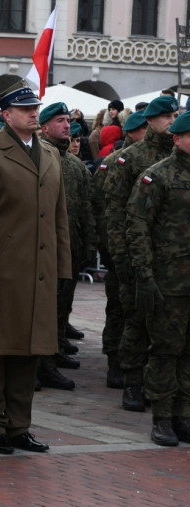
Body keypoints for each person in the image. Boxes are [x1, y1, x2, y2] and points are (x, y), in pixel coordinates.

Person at [0, 81, 70, 455]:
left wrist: (63, 270)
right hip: (3, 270)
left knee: (29, 352)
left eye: (34, 108)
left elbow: (59, 218)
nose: (32, 113)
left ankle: (19, 425)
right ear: (6, 115)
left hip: (39, 270)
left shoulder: (50, 155)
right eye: (24, 109)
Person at [104, 95, 180, 412]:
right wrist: (123, 261)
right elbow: (116, 213)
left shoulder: (181, 157)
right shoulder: (131, 158)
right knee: (135, 321)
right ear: (150, 121)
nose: (173, 121)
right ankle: (132, 381)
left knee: (169, 328)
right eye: (167, 116)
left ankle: (159, 386)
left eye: (176, 115)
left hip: (174, 263)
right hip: (138, 257)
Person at [126, 111, 190, 446]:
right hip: (169, 281)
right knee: (166, 348)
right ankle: (162, 417)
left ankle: (184, 413)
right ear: (177, 139)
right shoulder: (158, 176)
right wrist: (145, 276)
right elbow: (137, 228)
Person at [36, 102, 96, 391]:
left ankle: (53, 356)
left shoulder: (75, 166)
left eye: (67, 121)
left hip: (69, 249)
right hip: (41, 251)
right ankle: (35, 365)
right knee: (39, 310)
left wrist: (88, 247)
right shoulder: (36, 158)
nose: (66, 125)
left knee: (61, 307)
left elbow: (87, 209)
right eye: (59, 121)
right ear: (44, 127)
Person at [92, 110, 147, 389]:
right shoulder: (113, 163)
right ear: (133, 133)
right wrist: (111, 249)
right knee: (117, 309)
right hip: (119, 248)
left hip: (142, 252)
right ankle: (114, 359)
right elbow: (104, 210)